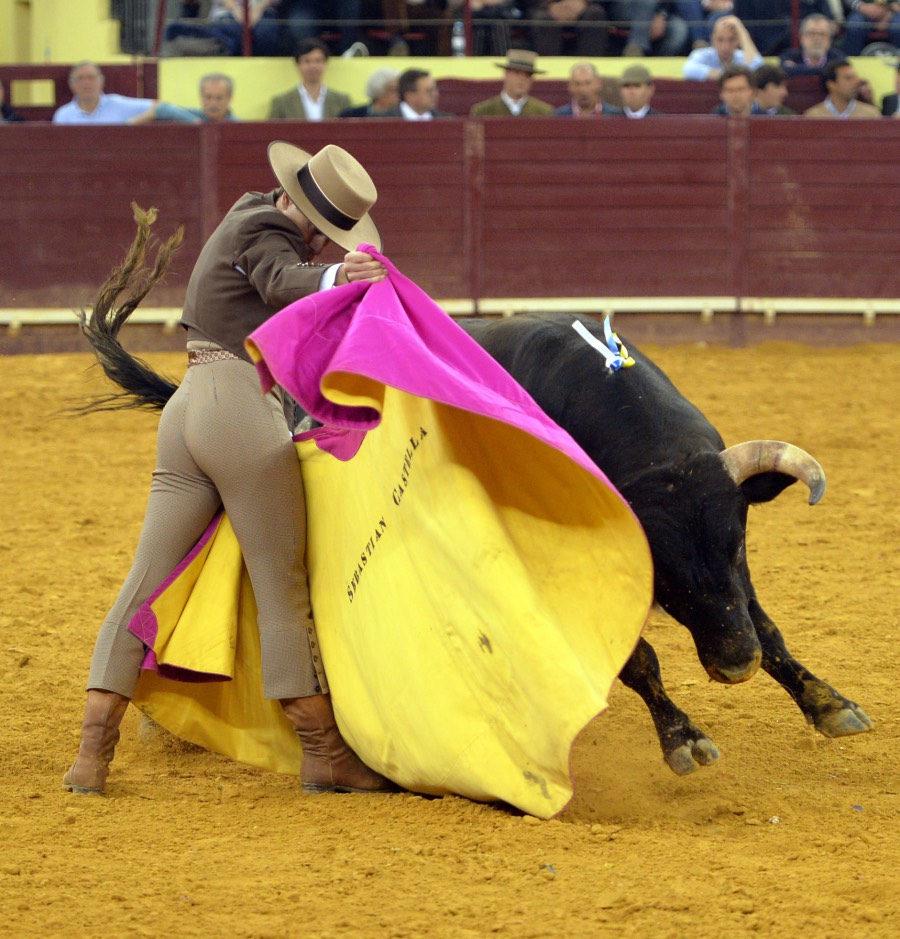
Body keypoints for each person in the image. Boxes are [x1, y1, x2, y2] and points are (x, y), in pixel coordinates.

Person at [63, 141, 396, 797]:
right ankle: (323, 752)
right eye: (327, 236)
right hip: (238, 408)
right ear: (306, 214)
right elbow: (281, 281)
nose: (327, 249)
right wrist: (341, 280)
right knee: (283, 586)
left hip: (188, 406)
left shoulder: (247, 215)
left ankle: (91, 752)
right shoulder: (267, 229)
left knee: (143, 582)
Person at [268, 38, 352, 121]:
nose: (313, 66)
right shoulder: (281, 102)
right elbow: (272, 133)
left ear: (325, 64)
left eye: (318, 61)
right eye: (307, 61)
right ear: (298, 65)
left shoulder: (342, 101)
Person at [164, 0, 282, 56]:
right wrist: (236, 9)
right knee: (173, 29)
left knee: (266, 32)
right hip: (226, 16)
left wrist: (258, 9)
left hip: (263, 15)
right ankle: (222, 45)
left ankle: (223, 46)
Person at [52, 62, 156, 125]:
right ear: (71, 84)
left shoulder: (118, 104)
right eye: (80, 79)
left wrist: (131, 123)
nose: (86, 83)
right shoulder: (64, 115)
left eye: (91, 78)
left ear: (101, 81)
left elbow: (160, 107)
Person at [470, 49, 555, 117]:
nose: (522, 80)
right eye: (517, 73)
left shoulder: (544, 112)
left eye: (527, 75)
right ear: (506, 75)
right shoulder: (483, 111)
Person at [134, 73, 239, 124]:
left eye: (219, 98)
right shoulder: (194, 115)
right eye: (208, 97)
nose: (213, 103)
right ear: (200, 97)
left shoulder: (237, 125)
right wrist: (195, 122)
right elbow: (161, 108)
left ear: (229, 98)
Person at [682, 14, 762, 81]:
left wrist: (742, 31)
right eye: (720, 40)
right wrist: (729, 76)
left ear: (738, 41)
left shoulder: (742, 56)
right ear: (712, 39)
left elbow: (758, 67)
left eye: (731, 40)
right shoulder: (702, 54)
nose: (725, 46)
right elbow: (689, 69)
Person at [606, 1, 690, 57]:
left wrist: (661, 14)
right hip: (623, 7)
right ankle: (636, 47)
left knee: (678, 29)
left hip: (656, 11)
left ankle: (656, 67)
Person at [526, 1, 611, 57]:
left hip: (585, 6)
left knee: (595, 13)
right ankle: (550, 71)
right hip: (542, 7)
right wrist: (548, 6)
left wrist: (584, 2)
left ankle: (588, 70)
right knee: (543, 19)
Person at [803, 59, 882, 118]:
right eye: (848, 78)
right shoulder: (813, 116)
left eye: (855, 77)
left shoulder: (871, 115)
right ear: (831, 84)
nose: (855, 82)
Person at [779, 13, 846, 76]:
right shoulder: (788, 56)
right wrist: (828, 71)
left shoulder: (838, 58)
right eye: (812, 33)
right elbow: (786, 71)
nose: (817, 38)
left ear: (830, 39)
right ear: (801, 37)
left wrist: (797, 68)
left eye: (822, 34)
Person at [554, 62, 623, 117]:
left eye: (588, 83)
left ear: (599, 84)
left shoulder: (615, 115)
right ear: (570, 87)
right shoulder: (558, 116)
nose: (583, 90)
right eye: (577, 84)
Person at [380, 69, 454, 120]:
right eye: (429, 91)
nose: (436, 94)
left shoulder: (446, 120)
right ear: (410, 96)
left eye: (435, 89)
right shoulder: (383, 120)